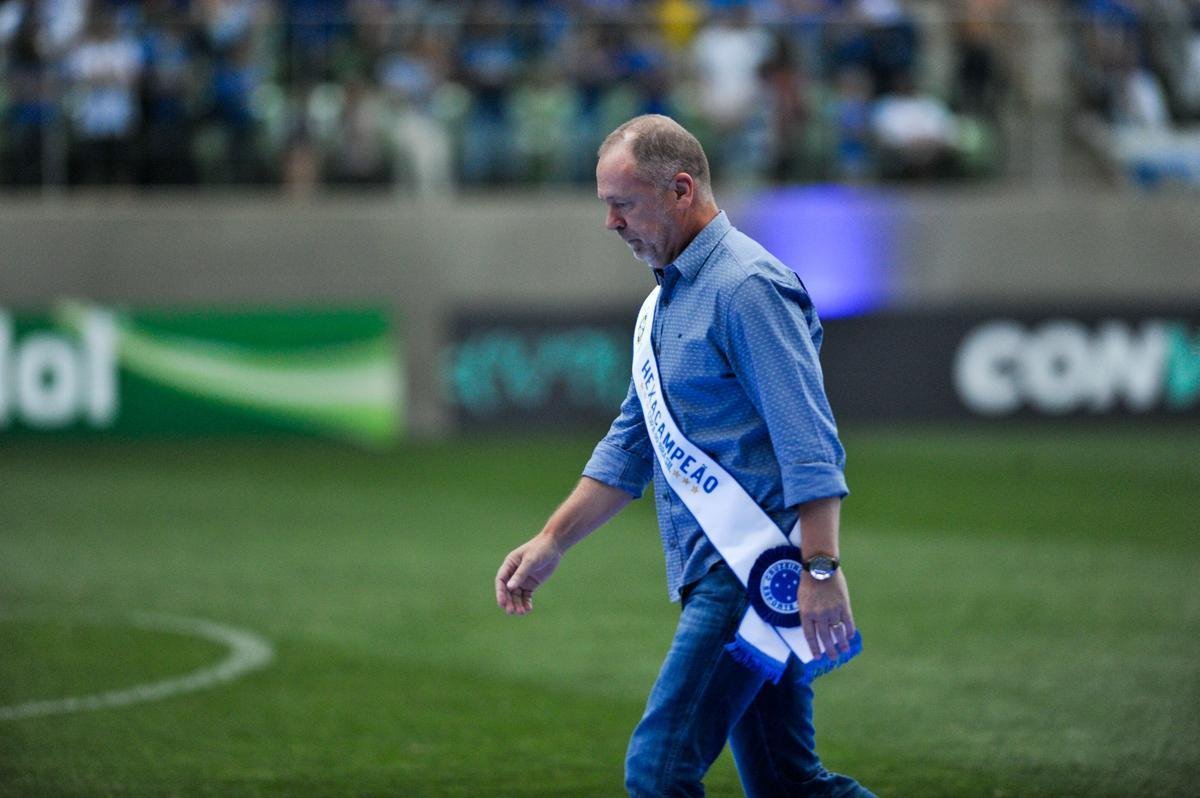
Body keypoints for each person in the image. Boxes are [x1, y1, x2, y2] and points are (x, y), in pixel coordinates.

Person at [495, 114, 873, 798]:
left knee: (659, 770)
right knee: (789, 785)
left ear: (679, 189)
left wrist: (820, 566)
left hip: (748, 579)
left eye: (622, 204)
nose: (611, 223)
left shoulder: (746, 287)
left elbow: (807, 438)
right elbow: (632, 445)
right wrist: (552, 541)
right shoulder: (668, 301)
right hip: (730, 575)